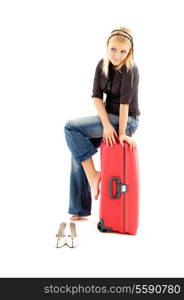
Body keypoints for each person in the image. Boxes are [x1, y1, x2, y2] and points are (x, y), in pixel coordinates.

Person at [64, 26, 141, 221]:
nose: (117, 55)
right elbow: (97, 97)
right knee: (78, 152)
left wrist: (121, 132)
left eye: (123, 51)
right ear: (107, 46)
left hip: (127, 121)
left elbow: (125, 105)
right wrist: (106, 125)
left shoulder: (130, 70)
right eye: (113, 49)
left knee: (71, 127)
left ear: (129, 52)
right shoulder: (102, 65)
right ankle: (79, 209)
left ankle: (93, 177)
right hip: (109, 120)